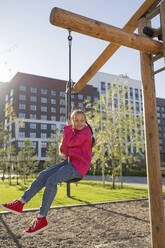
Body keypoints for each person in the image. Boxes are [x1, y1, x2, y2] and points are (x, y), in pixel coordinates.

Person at [0, 109, 94, 236]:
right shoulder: (73, 132)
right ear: (72, 121)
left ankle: (41, 218)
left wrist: (67, 129)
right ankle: (20, 202)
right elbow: (64, 150)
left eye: (82, 120)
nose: (79, 123)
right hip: (70, 162)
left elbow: (70, 143)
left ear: (85, 121)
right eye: (76, 120)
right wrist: (68, 136)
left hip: (79, 166)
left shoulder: (86, 132)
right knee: (43, 175)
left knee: (51, 180)